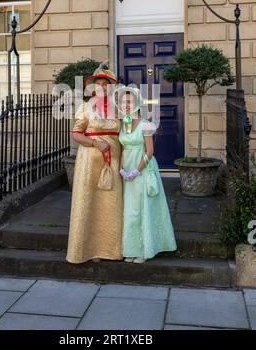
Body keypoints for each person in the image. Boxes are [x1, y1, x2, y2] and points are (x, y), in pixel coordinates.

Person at [66, 66, 123, 264]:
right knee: (90, 203)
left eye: (105, 85)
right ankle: (89, 250)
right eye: (97, 85)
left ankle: (111, 249)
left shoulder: (119, 108)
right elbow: (76, 134)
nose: (101, 88)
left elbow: (127, 133)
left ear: (111, 88)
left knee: (111, 203)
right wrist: (95, 142)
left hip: (114, 161)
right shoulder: (86, 107)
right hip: (90, 162)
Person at [117, 87, 177, 263]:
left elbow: (150, 151)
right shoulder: (123, 123)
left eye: (129, 102)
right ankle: (131, 248)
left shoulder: (145, 124)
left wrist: (137, 170)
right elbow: (121, 148)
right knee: (130, 211)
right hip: (126, 170)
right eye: (122, 102)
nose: (125, 105)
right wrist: (122, 168)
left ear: (136, 104)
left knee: (142, 208)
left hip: (142, 168)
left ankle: (144, 249)